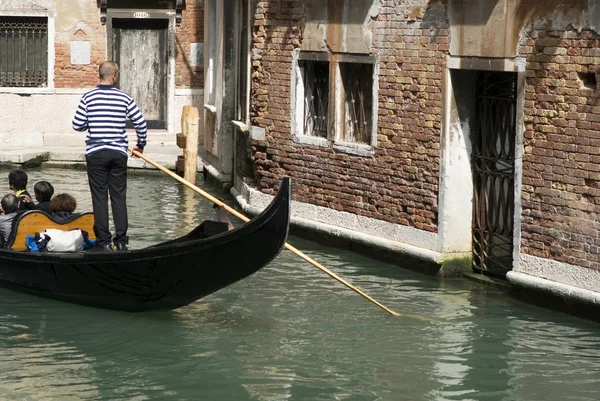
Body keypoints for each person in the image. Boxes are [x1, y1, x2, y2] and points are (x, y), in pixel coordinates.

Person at [72, 60, 147, 252]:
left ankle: (104, 242)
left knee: (99, 197)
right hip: (118, 153)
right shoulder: (124, 97)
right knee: (118, 196)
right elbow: (140, 123)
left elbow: (77, 124)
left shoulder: (88, 98)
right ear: (114, 75)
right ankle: (121, 240)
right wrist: (140, 145)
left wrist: (93, 123)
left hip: (95, 154)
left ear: (100, 75)